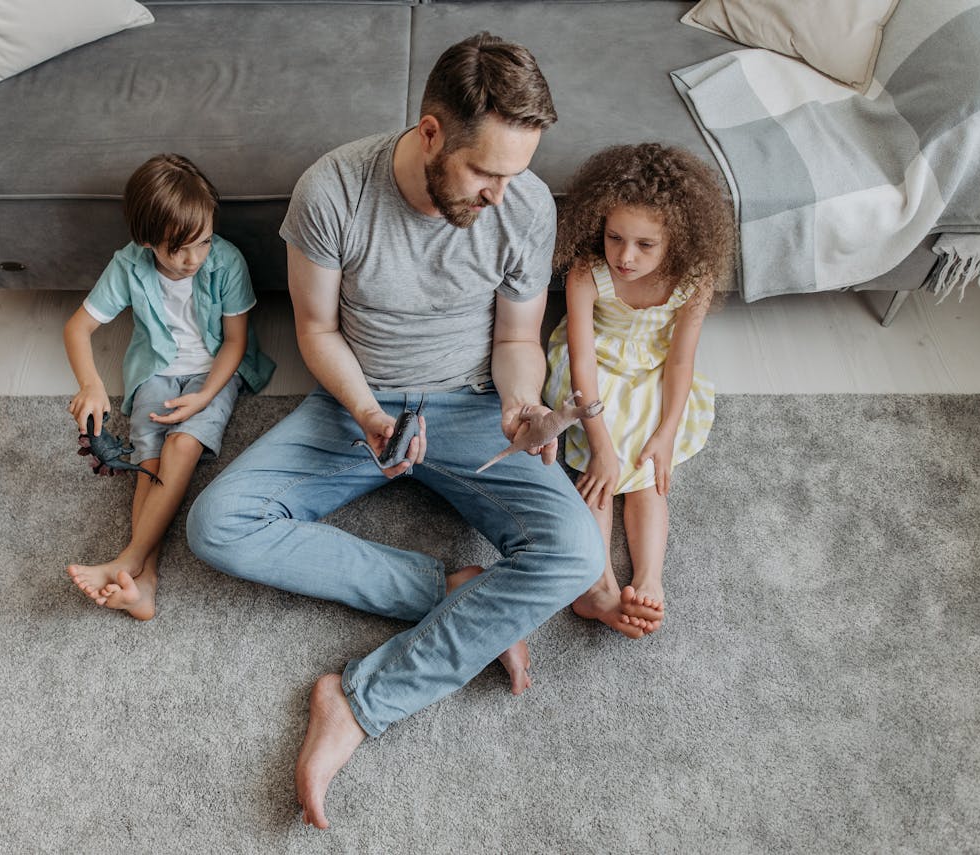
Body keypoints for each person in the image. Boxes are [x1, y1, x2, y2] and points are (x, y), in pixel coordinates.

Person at [186, 33, 600, 828]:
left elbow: (516, 339)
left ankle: (359, 699)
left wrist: (520, 402)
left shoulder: (525, 203)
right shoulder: (333, 190)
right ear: (431, 132)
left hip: (471, 405)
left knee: (577, 553)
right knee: (217, 524)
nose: (500, 196)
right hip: (358, 404)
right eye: (486, 172)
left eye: (515, 174)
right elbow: (315, 330)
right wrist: (372, 415)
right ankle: (451, 594)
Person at [63, 153, 274, 621]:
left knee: (181, 447)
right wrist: (91, 384)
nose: (193, 259)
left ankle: (132, 560)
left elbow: (235, 343)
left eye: (201, 242)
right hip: (153, 372)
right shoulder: (128, 266)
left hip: (214, 373)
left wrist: (204, 396)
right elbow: (77, 329)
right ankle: (145, 585)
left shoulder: (226, 261)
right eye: (177, 249)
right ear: (147, 242)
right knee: (149, 460)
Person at [541, 142, 735, 637]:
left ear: (678, 242)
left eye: (645, 245)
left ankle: (649, 579)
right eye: (615, 237)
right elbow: (583, 360)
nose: (625, 257)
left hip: (652, 368)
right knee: (599, 472)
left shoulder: (694, 280)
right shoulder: (589, 272)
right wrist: (601, 444)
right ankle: (599, 583)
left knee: (648, 472)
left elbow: (680, 360)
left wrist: (667, 431)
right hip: (593, 371)